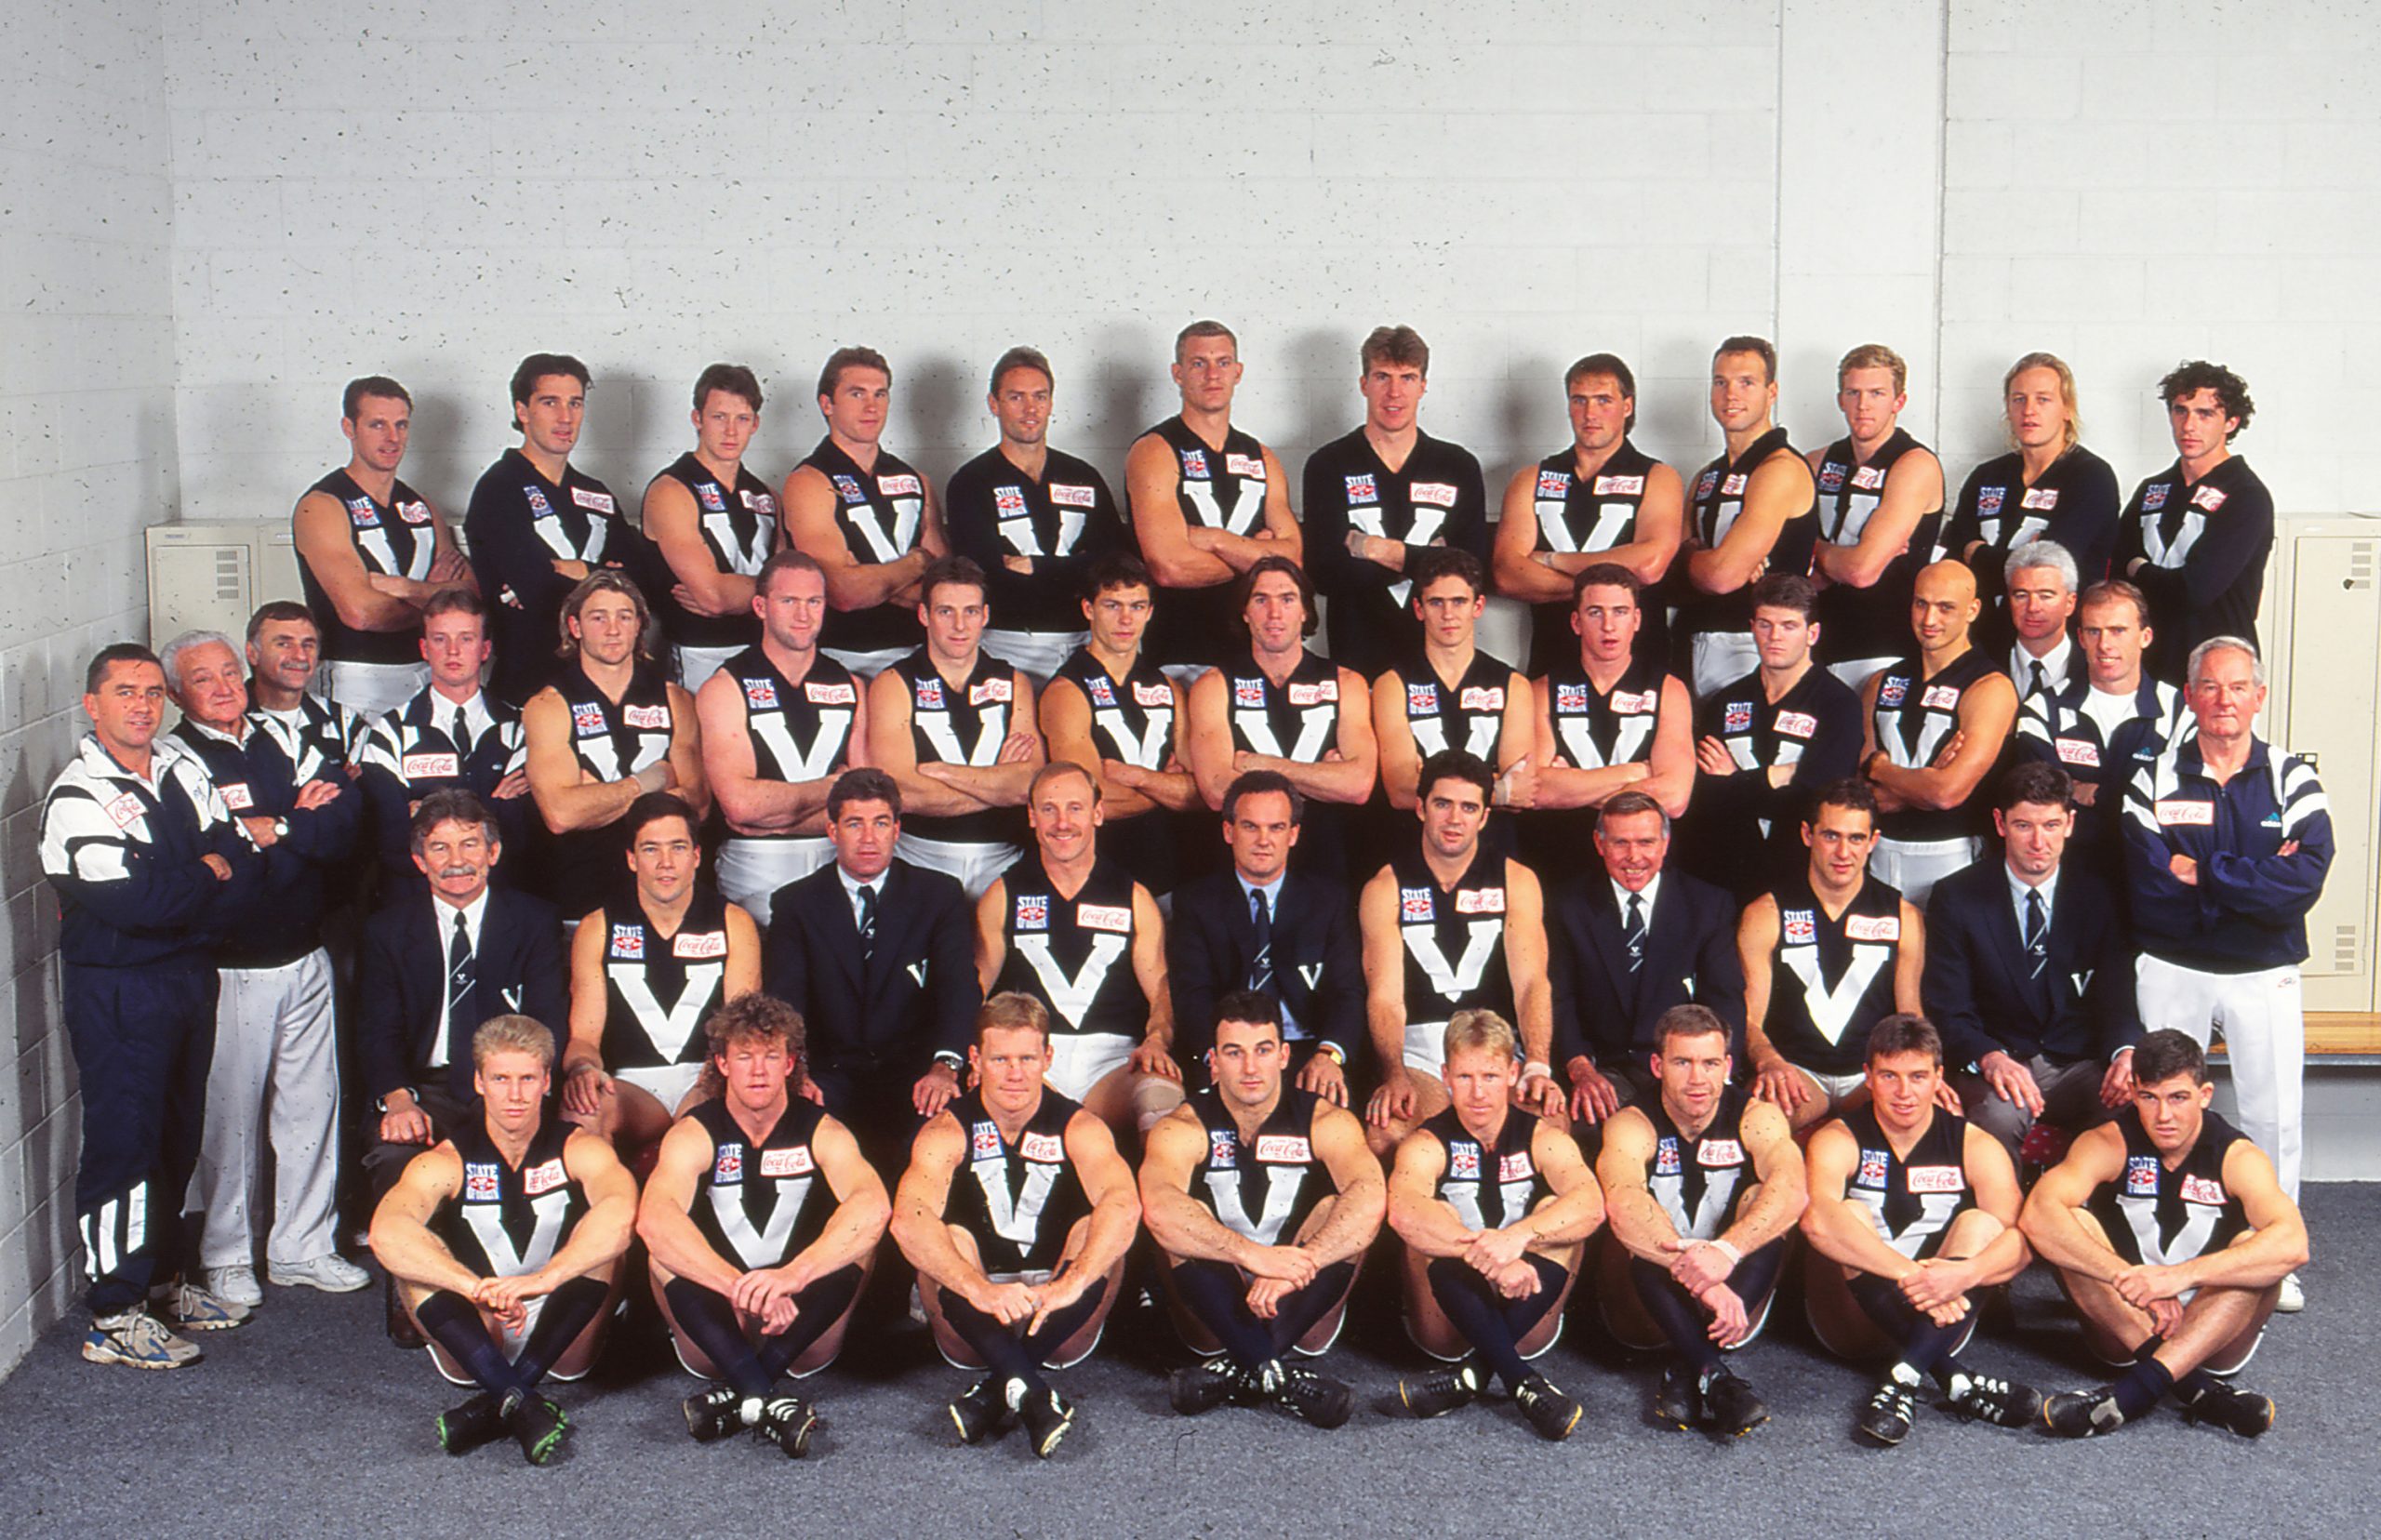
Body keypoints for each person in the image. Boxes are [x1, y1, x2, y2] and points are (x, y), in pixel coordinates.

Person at [40, 644, 264, 1368]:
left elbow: (240, 858)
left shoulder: (178, 767)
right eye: (124, 692)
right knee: (125, 1145)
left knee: (176, 1136)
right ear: (92, 705)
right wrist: (200, 873)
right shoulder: (77, 797)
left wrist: (190, 877)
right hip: (120, 989)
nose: (141, 705)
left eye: (150, 692)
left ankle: (164, 1279)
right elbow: (138, 903)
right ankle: (115, 1310)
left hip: (187, 976)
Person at [160, 631, 366, 1306]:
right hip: (233, 965)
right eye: (203, 679)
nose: (224, 688)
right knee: (232, 1118)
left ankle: (302, 1245)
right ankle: (225, 1254)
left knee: (312, 1110)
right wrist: (291, 827)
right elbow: (215, 857)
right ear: (174, 694)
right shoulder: (178, 761)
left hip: (306, 952)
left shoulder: (278, 739)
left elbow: (342, 824)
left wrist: (272, 830)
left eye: (228, 673)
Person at [2122, 637, 2329, 1308]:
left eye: (2238, 687)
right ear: (2190, 696)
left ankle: (2273, 1258)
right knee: (2155, 1105)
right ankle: (2154, 1244)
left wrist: (2203, 871)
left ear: (2259, 697)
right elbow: (2148, 880)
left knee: (2273, 1115)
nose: (2224, 700)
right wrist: (2250, 881)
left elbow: (2303, 882)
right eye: (2210, 687)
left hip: (2262, 967)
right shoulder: (2152, 773)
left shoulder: (2291, 776)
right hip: (2171, 962)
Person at [369, 1016, 636, 1465]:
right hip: (479, 1324)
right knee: (413, 1260)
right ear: (479, 1081)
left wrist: (546, 1279)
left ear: (546, 1082)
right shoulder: (447, 1160)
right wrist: (472, 1287)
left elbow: (622, 1217)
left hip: (562, 1323)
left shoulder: (580, 1148)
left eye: (527, 1079)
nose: (515, 1095)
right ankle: (522, 1401)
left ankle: (504, 1397)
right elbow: (386, 1233)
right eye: (501, 1079)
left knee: (604, 1241)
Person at [890, 994, 1143, 1458]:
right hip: (973, 1314)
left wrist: (1075, 1283)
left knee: (1101, 1227)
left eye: (1027, 1058)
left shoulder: (1079, 1125)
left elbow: (1123, 1205)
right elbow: (909, 1219)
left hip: (1059, 1311)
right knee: (944, 1237)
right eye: (1000, 1058)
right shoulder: (946, 1131)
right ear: (975, 1059)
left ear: (1048, 1057)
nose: (1014, 1072)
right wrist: (977, 1288)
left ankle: (999, 1388)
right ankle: (1029, 1388)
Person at [2021, 1030, 2308, 1440]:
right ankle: (2196, 1391)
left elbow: (2294, 1243)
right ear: (2133, 1092)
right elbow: (2038, 1216)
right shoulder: (2106, 1142)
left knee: (2256, 1250)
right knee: (2072, 1227)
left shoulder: (2236, 1155)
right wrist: (2131, 1278)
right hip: (2129, 1321)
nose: (2164, 1116)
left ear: (2204, 1094)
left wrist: (2180, 1276)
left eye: (2178, 1098)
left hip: (2217, 1329)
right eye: (2149, 1098)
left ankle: (2133, 1394)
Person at [356, 791, 568, 1344]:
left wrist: (516, 1092)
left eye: (470, 844)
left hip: (506, 1083)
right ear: (419, 860)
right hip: (426, 1089)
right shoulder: (387, 930)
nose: (457, 859)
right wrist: (397, 1100)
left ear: (493, 852)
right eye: (439, 847)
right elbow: (375, 1031)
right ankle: (415, 1298)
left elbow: (549, 1022)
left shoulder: (533, 919)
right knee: (395, 1155)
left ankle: (525, 1290)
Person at [636, 994, 889, 1456]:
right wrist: (740, 1288)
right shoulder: (695, 1130)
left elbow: (872, 1205)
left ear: (790, 1063)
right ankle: (764, 1394)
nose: (758, 1070)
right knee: (663, 1250)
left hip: (800, 1321)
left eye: (771, 1056)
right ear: (722, 1063)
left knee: (859, 1241)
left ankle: (745, 1394)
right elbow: (655, 1219)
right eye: (745, 1056)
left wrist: (792, 1277)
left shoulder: (822, 1128)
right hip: (717, 1314)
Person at [1139, 992, 1385, 1425]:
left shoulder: (1324, 1120)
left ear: (1285, 1055)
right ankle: (1274, 1373)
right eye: (1234, 1053)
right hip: (1214, 1307)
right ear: (1214, 1059)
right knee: (1183, 1211)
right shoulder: (1183, 1125)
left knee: (1341, 1208)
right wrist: (1250, 1255)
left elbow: (1370, 1197)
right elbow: (1159, 1208)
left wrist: (1299, 1263)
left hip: (1299, 1295)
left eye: (1263, 1051)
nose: (1250, 1068)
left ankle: (1243, 1368)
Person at [1801, 1015, 2042, 1445]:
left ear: (1939, 1078)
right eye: (1889, 1076)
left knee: (1984, 1223)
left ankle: (1906, 1376)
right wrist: (1912, 1276)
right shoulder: (1839, 1137)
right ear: (1869, 1077)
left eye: (1917, 1076)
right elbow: (1817, 1223)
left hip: (1943, 1314)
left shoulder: (1973, 1143)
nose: (1904, 1092)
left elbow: (2021, 1245)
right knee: (1848, 1214)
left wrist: (1965, 1274)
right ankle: (1951, 1377)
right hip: (1851, 1320)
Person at [1386, 1010, 1602, 1440]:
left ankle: (1480, 1372)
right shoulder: (1427, 1142)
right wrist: (1490, 1258)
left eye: (1489, 1075)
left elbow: (1592, 1204)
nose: (1478, 1092)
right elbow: (1403, 1212)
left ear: (1513, 1072)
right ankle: (1523, 1381)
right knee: (1434, 1216)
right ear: (1445, 1076)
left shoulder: (1542, 1136)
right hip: (1447, 1319)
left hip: (1527, 1307)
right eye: (1464, 1077)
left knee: (1558, 1212)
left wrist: (1517, 1237)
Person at [1594, 1005, 1804, 1437]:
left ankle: (1694, 1368)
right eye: (1682, 1062)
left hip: (1734, 1293)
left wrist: (1726, 1252)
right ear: (1657, 1066)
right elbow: (1624, 1199)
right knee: (1638, 1217)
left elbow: (1792, 1189)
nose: (1697, 1079)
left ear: (1727, 1066)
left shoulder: (1755, 1115)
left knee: (1764, 1200)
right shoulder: (1632, 1123)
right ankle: (1712, 1370)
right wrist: (1702, 1277)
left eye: (1710, 1064)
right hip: (1654, 1297)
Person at [761, 769, 978, 1175]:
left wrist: (945, 1067)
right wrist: (799, 1073)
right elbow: (785, 1000)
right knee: (809, 1139)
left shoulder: (939, 895)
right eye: (854, 824)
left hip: (916, 1073)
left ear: (897, 830)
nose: (868, 838)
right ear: (831, 830)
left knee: (935, 1142)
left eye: (880, 824)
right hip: (831, 1074)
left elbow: (959, 989)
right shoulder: (796, 904)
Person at [1923, 763, 2142, 1161]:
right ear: (2000, 823)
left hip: (2077, 1064)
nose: (2039, 841)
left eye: (2051, 825)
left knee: (2132, 1104)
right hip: (2000, 1061)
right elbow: (1948, 1008)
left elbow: (2118, 997)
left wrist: (2125, 1053)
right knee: (1999, 1115)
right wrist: (1990, 1058)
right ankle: (1999, 1218)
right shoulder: (1957, 897)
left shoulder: (2100, 896)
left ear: (2070, 823)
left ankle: (2086, 1219)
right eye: (2024, 826)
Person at [1360, 752, 1559, 1156]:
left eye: (1469, 807)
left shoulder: (1516, 880)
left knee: (1550, 1122)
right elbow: (1385, 997)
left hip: (1495, 1040)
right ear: (1421, 808)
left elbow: (1531, 984)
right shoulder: (1385, 887)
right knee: (1389, 1132)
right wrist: (1394, 1072)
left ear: (1485, 816)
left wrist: (1537, 1062)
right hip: (1422, 1047)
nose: (1455, 819)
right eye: (1442, 804)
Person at [977, 763, 1182, 1136]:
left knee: (1161, 1102)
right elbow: (975, 986)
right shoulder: (1003, 895)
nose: (1062, 823)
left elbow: (1161, 989)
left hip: (1114, 1061)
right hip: (1031, 1059)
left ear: (1097, 813)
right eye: (1049, 809)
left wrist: (1156, 1038)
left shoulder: (1133, 897)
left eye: (1075, 808)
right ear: (1032, 817)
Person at [561, 793, 759, 1150]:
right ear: (632, 859)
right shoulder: (598, 927)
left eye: (678, 848)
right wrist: (583, 1070)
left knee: (713, 1119)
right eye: (651, 849)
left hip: (706, 1079)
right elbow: (584, 1037)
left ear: (697, 856)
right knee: (583, 1110)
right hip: (631, 1086)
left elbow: (742, 1031)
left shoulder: (733, 922)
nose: (666, 863)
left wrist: (714, 1081)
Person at [465, 352, 659, 705]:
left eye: (575, 403)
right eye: (550, 402)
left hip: (606, 691)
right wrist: (607, 578)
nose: (565, 417)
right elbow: (539, 592)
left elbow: (643, 582)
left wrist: (582, 571)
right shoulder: (499, 488)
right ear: (523, 411)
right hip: (530, 687)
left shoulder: (595, 491)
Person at [1547, 791, 1745, 1123]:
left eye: (1646, 843)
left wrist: (1714, 1076)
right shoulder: (1567, 906)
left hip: (1683, 1067)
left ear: (1665, 844)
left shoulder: (1708, 905)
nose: (1633, 857)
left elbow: (1725, 1000)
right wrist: (1580, 1068)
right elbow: (1559, 998)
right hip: (1603, 1071)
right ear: (1599, 843)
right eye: (1620, 843)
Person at [1302, 325, 1489, 676]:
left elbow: (1474, 569)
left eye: (1407, 378)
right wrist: (1431, 559)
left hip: (1441, 665)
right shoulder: (1329, 464)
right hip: (1358, 661)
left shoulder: (1457, 466)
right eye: (1382, 377)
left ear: (1423, 385)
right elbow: (1324, 572)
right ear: (1363, 384)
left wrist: (1372, 548)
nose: (1394, 392)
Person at [1739, 780, 1926, 1132]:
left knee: (1936, 1119)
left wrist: (1919, 1076)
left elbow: (1910, 1016)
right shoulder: (1765, 912)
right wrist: (1769, 1061)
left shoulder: (1904, 916)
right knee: (1756, 1126)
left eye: (1856, 838)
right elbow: (1750, 1019)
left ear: (1873, 841)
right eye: (1831, 836)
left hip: (1871, 1075)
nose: (1843, 852)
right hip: (1798, 1071)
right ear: (1808, 834)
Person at [1168, 773, 1365, 1103]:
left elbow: (1348, 991)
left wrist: (1329, 1054)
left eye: (1276, 828)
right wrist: (1215, 1056)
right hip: (1230, 1051)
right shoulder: (1197, 901)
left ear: (1293, 834)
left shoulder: (1328, 900)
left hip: (1306, 1049)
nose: (1264, 840)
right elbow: (1192, 994)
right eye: (1250, 827)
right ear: (1228, 831)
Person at [522, 571, 707, 915]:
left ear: (640, 626)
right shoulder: (549, 706)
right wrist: (649, 783)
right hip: (581, 890)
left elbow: (696, 802)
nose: (613, 629)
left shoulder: (675, 699)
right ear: (575, 628)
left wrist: (596, 799)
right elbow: (561, 814)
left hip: (664, 895)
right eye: (598, 617)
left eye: (624, 616)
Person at [1124, 319, 1303, 675]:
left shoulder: (1262, 457)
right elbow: (1169, 567)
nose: (1212, 375)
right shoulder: (1154, 451)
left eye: (1223, 362)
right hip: (1181, 652)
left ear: (1238, 372)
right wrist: (1258, 556)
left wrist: (1214, 540)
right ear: (1178, 373)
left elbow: (1293, 560)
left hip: (1259, 656)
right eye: (1198, 363)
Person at [1183, 556, 1377, 884]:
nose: (1275, 613)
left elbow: (1358, 786)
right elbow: (1217, 790)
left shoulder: (1347, 682)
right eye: (1261, 600)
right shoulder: (1214, 685)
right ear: (1245, 612)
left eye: (1287, 599)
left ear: (1304, 611)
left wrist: (1259, 765)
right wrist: (1322, 778)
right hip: (1243, 866)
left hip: (1325, 861)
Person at [698, 550, 867, 925]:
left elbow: (867, 807)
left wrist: (780, 819)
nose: (803, 615)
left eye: (814, 602)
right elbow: (741, 806)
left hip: (835, 856)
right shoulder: (726, 687)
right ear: (760, 606)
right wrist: (835, 786)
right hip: (756, 864)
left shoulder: (850, 684)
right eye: (788, 601)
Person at [1493, 352, 1683, 672]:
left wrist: (1553, 561)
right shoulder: (1532, 478)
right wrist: (1615, 590)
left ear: (1627, 406)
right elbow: (1507, 575)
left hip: (1639, 668)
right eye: (1579, 400)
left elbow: (1649, 566)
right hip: (1553, 663)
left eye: (1603, 400)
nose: (1590, 413)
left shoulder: (1657, 477)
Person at [292, 375, 472, 714]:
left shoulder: (422, 507)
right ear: (349, 427)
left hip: (429, 675)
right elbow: (361, 613)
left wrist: (404, 588)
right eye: (377, 425)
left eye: (401, 425)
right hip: (357, 679)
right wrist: (435, 594)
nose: (392, 438)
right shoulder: (322, 505)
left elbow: (471, 598)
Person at [945, 346, 1125, 681]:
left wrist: (1036, 566)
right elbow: (986, 574)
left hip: (1086, 639)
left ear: (1051, 403)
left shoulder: (1082, 475)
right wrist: (1078, 566)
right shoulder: (971, 482)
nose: (1030, 409)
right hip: (1008, 642)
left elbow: (1116, 561)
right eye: (1016, 397)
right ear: (994, 404)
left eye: (1039, 397)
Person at [867, 555, 1043, 897]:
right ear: (924, 615)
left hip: (1003, 855)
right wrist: (997, 783)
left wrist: (946, 773)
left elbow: (1028, 785)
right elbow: (903, 791)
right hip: (920, 854)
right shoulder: (893, 683)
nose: (960, 625)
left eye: (971, 611)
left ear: (985, 616)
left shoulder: (1014, 681)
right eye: (946, 611)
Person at [1682, 573, 1863, 898]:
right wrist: (1778, 776)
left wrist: (1737, 780)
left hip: (1800, 872)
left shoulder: (1838, 704)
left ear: (1813, 633)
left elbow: (1819, 797)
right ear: (1752, 626)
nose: (1774, 636)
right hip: (1727, 869)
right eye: (1765, 624)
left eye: (1789, 626)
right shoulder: (1725, 702)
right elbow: (1706, 796)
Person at [1857, 560, 2018, 905]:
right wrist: (1924, 781)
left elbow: (1947, 793)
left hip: (1951, 854)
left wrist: (1881, 769)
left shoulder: (1990, 687)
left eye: (1946, 608)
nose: (1930, 620)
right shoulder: (1881, 682)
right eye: (1921, 604)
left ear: (1973, 610)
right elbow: (1866, 794)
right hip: (1878, 851)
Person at [1040, 555, 1199, 898]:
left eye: (1137, 606)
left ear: (1150, 611)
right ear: (1088, 609)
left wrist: (1139, 779)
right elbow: (1087, 802)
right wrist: (1166, 788)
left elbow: (1200, 792)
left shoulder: (1169, 687)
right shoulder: (1066, 691)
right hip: (1098, 872)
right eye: (1112, 605)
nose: (1126, 619)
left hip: (1165, 864)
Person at [782, 345, 947, 676]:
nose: (871, 406)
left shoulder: (915, 480)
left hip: (918, 654)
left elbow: (944, 593)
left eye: (880, 394)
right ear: (827, 404)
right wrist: (917, 562)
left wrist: (872, 578)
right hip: (842, 657)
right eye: (857, 394)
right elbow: (844, 593)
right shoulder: (808, 482)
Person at [357, 590, 534, 891]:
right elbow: (393, 839)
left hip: (502, 898)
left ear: (485, 649)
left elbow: (519, 835)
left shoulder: (520, 728)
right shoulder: (388, 733)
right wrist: (493, 804)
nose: (453, 651)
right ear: (424, 648)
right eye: (440, 639)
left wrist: (426, 810)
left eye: (466, 638)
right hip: (417, 901)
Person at [1943, 352, 2120, 649]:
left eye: (2043, 399)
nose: (2029, 411)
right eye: (2019, 399)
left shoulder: (2091, 476)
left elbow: (2048, 571)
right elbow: (1952, 554)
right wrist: (2017, 555)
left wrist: (1978, 552)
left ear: (2067, 409)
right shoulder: (1987, 476)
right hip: (1982, 638)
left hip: (2059, 642)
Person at [2113, 361, 2274, 686]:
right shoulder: (2151, 489)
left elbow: (2195, 590)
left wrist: (2140, 569)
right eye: (2180, 411)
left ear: (2231, 422)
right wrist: (2135, 571)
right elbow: (2117, 572)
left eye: (2205, 414)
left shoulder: (2247, 495)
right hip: (2148, 663)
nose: (2189, 426)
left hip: (2217, 671)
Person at [1523, 562, 1694, 870]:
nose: (1608, 626)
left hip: (1638, 858)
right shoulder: (1541, 691)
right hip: (1560, 852)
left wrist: (1573, 786)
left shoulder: (1669, 689)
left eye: (1620, 611)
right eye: (1595, 612)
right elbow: (1535, 790)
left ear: (1637, 619)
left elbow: (1676, 796)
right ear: (1576, 622)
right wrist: (1633, 773)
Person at [1675, 336, 1820, 697]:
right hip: (1694, 635)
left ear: (1772, 392)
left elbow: (1723, 576)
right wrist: (1702, 561)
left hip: (1754, 644)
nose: (1731, 395)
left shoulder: (1780, 468)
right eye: (1721, 382)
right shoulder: (1707, 476)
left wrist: (1694, 553)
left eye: (1746, 383)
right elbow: (1670, 571)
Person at [2015, 578, 2185, 875]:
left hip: (2149, 878)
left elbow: (2179, 806)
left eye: (2118, 631)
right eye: (2094, 631)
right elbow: (2040, 804)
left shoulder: (2180, 711)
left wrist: (2091, 793)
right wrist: (2132, 796)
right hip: (2068, 879)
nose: (2105, 645)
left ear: (2145, 636)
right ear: (2080, 638)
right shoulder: (2042, 710)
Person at [1807, 344, 1946, 691]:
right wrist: (1832, 560)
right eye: (1853, 393)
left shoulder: (1914, 464)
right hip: (1816, 639)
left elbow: (1862, 570)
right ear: (1840, 399)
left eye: (1876, 393)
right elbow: (1783, 556)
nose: (1863, 405)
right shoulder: (1816, 461)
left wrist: (1813, 551)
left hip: (1884, 643)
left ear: (1899, 402)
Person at [1370, 549, 1535, 843]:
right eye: (1436, 602)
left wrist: (1429, 786)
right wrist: (1499, 789)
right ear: (1419, 609)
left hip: (1492, 843)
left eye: (1459, 602)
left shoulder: (1513, 685)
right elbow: (1400, 790)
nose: (1448, 615)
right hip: (1415, 843)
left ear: (1478, 606)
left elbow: (1521, 791)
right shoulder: (1392, 684)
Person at [645, 363, 781, 688]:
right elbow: (712, 596)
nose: (731, 431)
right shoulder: (671, 490)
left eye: (742, 419)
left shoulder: (768, 495)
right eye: (719, 417)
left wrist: (746, 595)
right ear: (698, 419)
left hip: (766, 651)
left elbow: (790, 586)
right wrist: (774, 598)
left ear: (756, 424)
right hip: (699, 654)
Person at [244, 601, 374, 778]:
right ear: (252, 653)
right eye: (284, 644)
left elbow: (362, 794)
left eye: (308, 645)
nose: (300, 655)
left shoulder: (345, 722)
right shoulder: (229, 720)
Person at [2002, 540, 2080, 704]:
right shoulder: (1982, 662)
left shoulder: (2093, 669)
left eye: (2045, 596)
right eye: (2021, 595)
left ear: (2070, 603)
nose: (2032, 607)